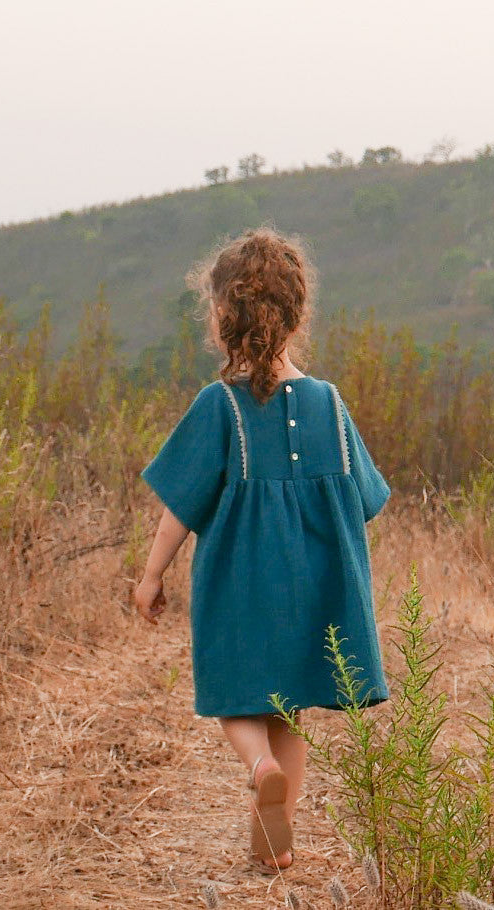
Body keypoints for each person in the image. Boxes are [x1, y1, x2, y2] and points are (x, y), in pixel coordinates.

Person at [134, 226, 391, 874]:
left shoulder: (219, 404)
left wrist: (150, 576)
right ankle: (276, 844)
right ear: (297, 315)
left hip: (242, 580)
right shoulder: (329, 403)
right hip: (311, 585)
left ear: (224, 316)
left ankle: (259, 767)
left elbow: (179, 508)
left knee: (232, 695)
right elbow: (365, 500)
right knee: (291, 709)